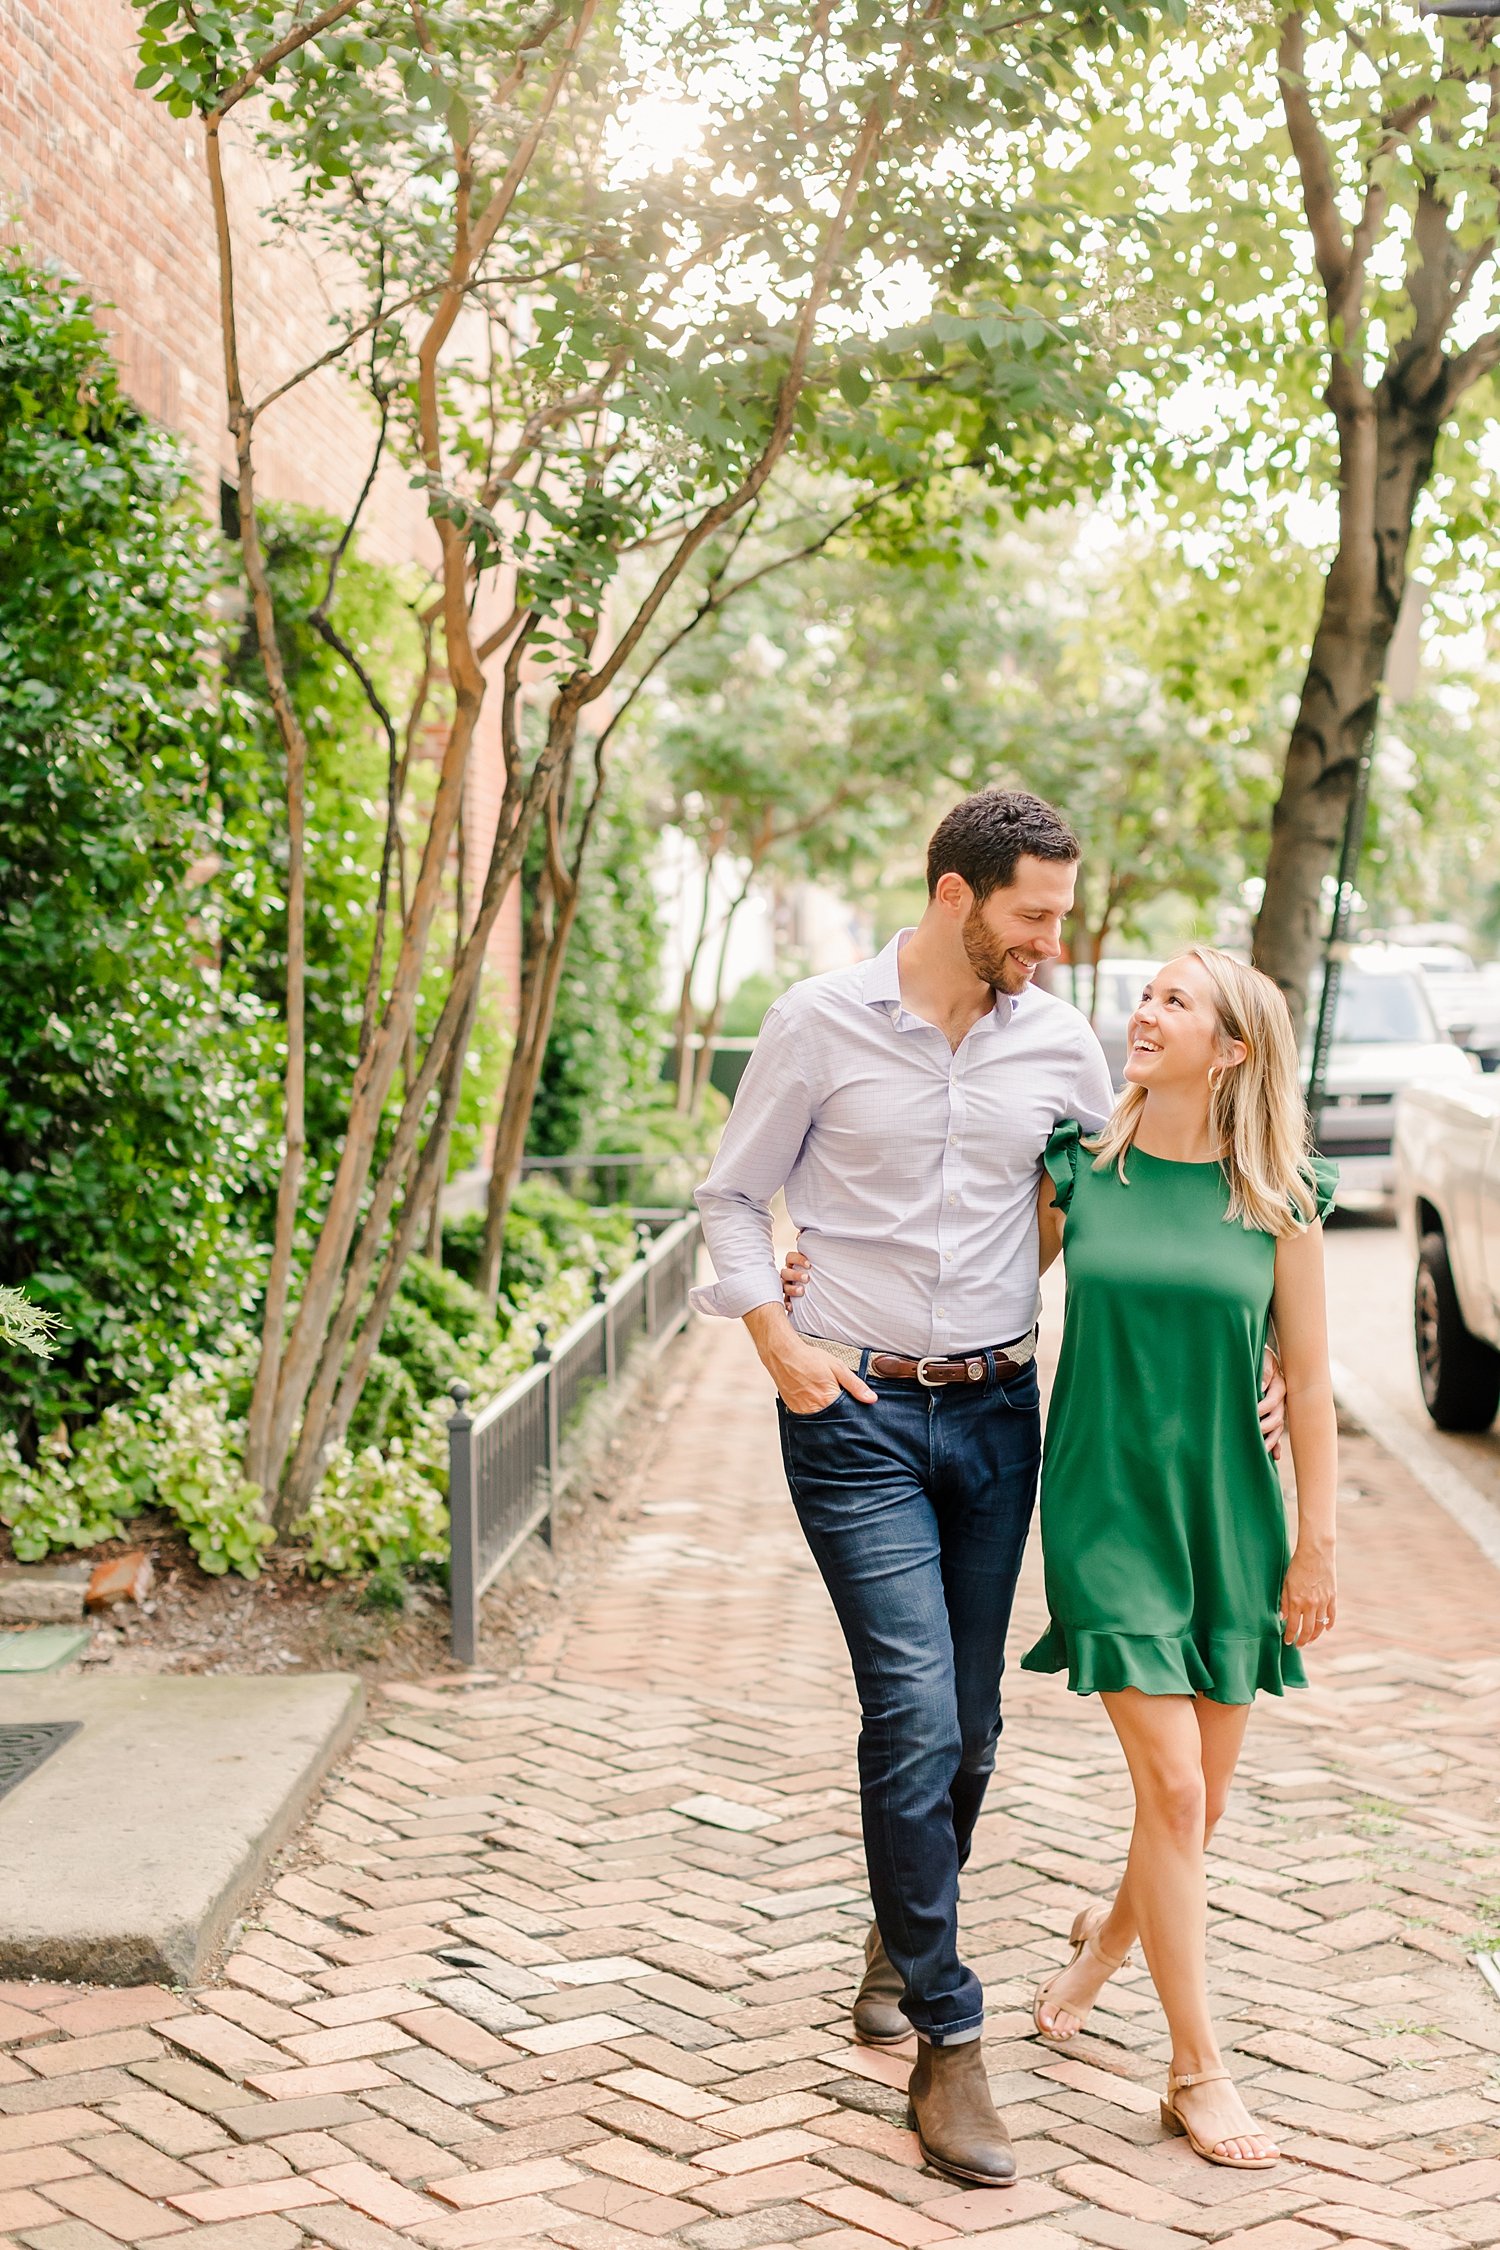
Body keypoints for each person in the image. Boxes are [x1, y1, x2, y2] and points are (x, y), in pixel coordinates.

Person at [690, 790, 1287, 2189]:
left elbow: (1152, 1182)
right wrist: (772, 1333)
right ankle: (949, 2041)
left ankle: (902, 1933)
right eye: (1033, 915)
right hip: (855, 1405)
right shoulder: (819, 1021)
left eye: (1060, 917)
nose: (1051, 941)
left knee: (967, 1730)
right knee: (911, 1703)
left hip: (1002, 1409)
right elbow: (729, 1195)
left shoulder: (1062, 1045)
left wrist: (1249, 1355)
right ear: (956, 895)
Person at [784, 946, 1338, 2174]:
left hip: (1232, 1519)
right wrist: (826, 1285)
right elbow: (970, 1267)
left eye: (1174, 1002)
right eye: (1146, 995)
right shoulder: (1085, 1171)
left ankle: (1100, 1943)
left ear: (1233, 1048)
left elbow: (1311, 1386)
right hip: (1104, 1509)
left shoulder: (1284, 1199)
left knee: (1194, 1813)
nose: (1144, 1013)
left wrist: (1318, 1546)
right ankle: (1197, 2075)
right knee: (1180, 1798)